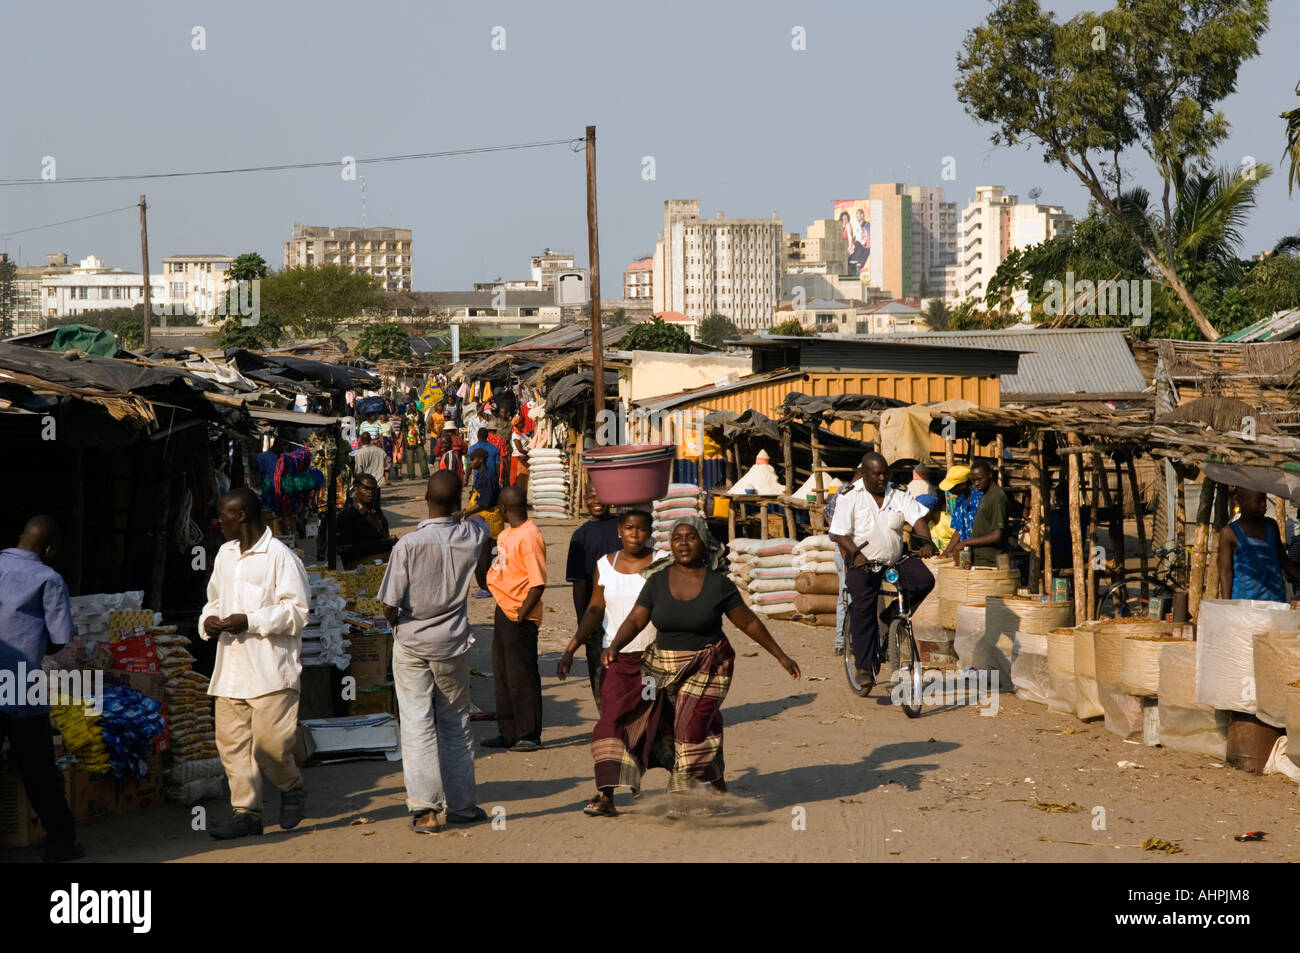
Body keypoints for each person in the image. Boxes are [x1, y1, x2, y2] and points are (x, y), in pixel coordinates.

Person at [600, 516, 800, 818]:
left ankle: (680, 798)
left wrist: (781, 655)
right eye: (677, 537)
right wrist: (614, 646)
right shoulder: (656, 581)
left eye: (690, 537)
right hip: (663, 669)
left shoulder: (718, 584)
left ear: (703, 543)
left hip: (710, 664)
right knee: (680, 728)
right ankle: (717, 786)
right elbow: (637, 618)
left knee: (690, 728)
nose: (683, 543)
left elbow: (747, 621)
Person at [378, 471, 491, 833]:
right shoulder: (472, 535)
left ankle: (426, 810)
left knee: (416, 725)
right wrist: (462, 514)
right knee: (456, 724)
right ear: (459, 500)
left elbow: (389, 604)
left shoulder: (408, 545)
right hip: (452, 643)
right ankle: (462, 805)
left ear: (425, 495)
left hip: (412, 641)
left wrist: (400, 625)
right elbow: (484, 521)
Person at [200, 488, 311, 840]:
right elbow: (213, 600)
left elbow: (297, 612)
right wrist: (209, 621)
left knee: (271, 748)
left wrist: (249, 621)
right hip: (231, 669)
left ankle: (291, 786)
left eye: (224, 515)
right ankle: (246, 812)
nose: (219, 523)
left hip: (270, 670)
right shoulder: (225, 555)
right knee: (232, 747)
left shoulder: (280, 556)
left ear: (242, 515)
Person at [557, 510, 659, 816]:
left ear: (649, 532)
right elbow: (594, 609)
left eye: (641, 529)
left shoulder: (663, 562)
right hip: (615, 661)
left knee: (654, 721)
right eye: (629, 528)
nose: (634, 534)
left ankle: (676, 790)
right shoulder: (606, 566)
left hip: (655, 664)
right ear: (619, 531)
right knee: (609, 722)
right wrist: (571, 648)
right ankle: (606, 793)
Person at [0, 516, 83, 862]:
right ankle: (60, 842)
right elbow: (60, 638)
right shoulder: (48, 578)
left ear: (20, 537)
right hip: (19, 686)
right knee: (39, 769)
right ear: (49, 550)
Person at [830, 452, 936, 693]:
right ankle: (864, 668)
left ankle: (891, 616)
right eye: (876, 474)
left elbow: (917, 518)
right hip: (863, 561)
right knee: (863, 606)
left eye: (884, 473)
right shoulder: (850, 495)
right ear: (864, 474)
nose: (882, 478)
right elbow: (840, 534)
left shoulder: (898, 492)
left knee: (924, 580)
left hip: (895, 558)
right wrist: (857, 556)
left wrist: (926, 542)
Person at [482, 486, 547, 752]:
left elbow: (538, 582)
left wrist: (522, 613)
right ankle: (507, 732)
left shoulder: (530, 536)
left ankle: (528, 734)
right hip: (503, 609)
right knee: (503, 675)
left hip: (520, 614)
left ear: (505, 508)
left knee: (523, 677)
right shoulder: (507, 534)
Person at [564, 484, 623, 705]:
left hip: (625, 608)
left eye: (601, 495)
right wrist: (582, 622)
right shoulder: (580, 535)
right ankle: (606, 716)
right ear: (585, 500)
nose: (596, 501)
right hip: (596, 613)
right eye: (590, 496)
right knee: (599, 668)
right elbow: (579, 583)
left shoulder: (623, 527)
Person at [1219, 487, 1300, 601]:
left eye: (1265, 500)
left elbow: (1283, 560)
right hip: (1245, 603)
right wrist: (1227, 605)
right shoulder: (1228, 533)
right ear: (1241, 501)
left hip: (1275, 600)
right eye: (1258, 501)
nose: (1264, 505)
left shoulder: (1271, 526)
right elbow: (1226, 573)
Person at [824, 465, 862, 658]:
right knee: (846, 594)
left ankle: (846, 640)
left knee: (848, 594)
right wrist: (835, 530)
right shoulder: (848, 492)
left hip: (853, 550)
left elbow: (826, 511)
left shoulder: (843, 491)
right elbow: (829, 515)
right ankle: (843, 641)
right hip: (845, 551)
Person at [942, 461, 1009, 567]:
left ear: (963, 484)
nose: (950, 491)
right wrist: (945, 553)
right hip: (970, 555)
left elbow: (996, 534)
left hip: (989, 558)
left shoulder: (984, 495)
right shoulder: (960, 500)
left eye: (953, 487)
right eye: (974, 480)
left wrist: (966, 542)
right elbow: (959, 530)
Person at [456, 447, 502, 599]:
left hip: (488, 520)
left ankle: (488, 586)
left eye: (473, 460)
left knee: (485, 557)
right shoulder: (481, 476)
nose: (470, 463)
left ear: (481, 460)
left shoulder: (488, 477)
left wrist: (465, 513)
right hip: (480, 520)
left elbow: (484, 502)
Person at [337, 474, 397, 570]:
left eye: (373, 489)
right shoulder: (347, 515)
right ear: (356, 488)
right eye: (366, 489)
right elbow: (345, 550)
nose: (371, 492)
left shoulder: (376, 511)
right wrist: (380, 544)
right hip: (361, 568)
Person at [403, 405, 430, 481]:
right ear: (409, 407)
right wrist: (405, 441)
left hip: (418, 439)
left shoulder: (419, 414)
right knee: (410, 459)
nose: (413, 408)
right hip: (409, 439)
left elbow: (422, 427)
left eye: (414, 406)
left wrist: (423, 437)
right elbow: (404, 429)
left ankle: (425, 474)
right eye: (411, 406)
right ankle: (411, 475)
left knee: (422, 457)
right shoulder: (405, 415)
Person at [510, 415, 530, 491]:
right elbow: (519, 449)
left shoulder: (521, 434)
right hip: (518, 458)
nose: (524, 424)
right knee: (516, 477)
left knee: (523, 479)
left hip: (523, 458)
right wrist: (530, 453)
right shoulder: (515, 435)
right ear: (517, 424)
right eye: (522, 422)